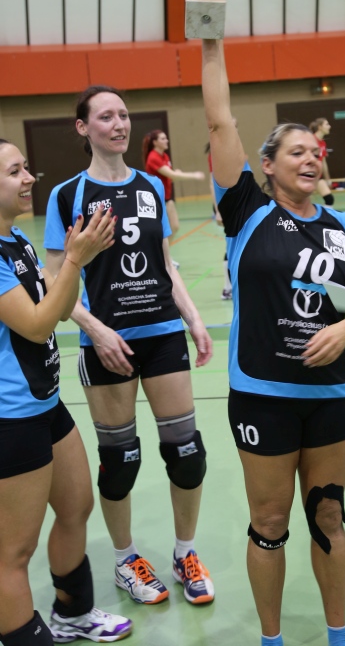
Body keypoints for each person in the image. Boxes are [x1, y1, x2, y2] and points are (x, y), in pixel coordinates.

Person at [202, 38, 345, 646]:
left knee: (328, 513)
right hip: (263, 397)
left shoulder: (341, 227)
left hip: (329, 396)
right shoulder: (245, 211)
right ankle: (272, 639)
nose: (311, 159)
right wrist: (211, 40)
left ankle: (337, 635)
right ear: (268, 165)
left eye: (316, 152)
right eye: (296, 151)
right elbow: (219, 120)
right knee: (271, 520)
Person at [44, 86, 215, 609]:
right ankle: (125, 560)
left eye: (123, 115)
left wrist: (193, 317)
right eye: (105, 116)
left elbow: (165, 264)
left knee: (187, 452)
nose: (118, 124)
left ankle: (185, 553)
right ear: (83, 127)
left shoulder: (150, 186)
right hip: (107, 343)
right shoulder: (67, 195)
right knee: (120, 460)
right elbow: (54, 281)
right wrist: (95, 330)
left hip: (162, 335)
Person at [0, 139, 132, 645]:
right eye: (15, 171)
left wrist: (78, 260)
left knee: (76, 506)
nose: (28, 178)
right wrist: (75, 260)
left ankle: (72, 614)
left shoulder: (17, 240)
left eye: (26, 168)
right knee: (14, 552)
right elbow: (36, 326)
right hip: (11, 418)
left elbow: (55, 308)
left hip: (45, 404)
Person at [142, 129, 205, 240]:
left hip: (167, 197)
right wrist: (194, 175)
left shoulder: (165, 156)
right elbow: (172, 175)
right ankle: (161, 251)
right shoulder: (153, 157)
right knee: (161, 230)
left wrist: (176, 174)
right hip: (155, 198)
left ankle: (165, 251)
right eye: (163, 139)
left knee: (174, 227)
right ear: (155, 142)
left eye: (166, 138)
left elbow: (169, 177)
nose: (167, 140)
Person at [206, 141, 233, 300]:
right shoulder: (216, 153)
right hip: (226, 204)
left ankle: (231, 286)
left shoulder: (231, 148)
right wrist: (217, 210)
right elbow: (212, 182)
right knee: (231, 243)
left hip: (235, 202)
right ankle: (227, 288)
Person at [309, 118, 334, 206]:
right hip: (308, 175)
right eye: (327, 124)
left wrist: (328, 179)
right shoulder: (311, 140)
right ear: (320, 127)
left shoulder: (323, 143)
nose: (329, 126)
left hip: (317, 177)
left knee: (329, 199)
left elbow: (323, 162)